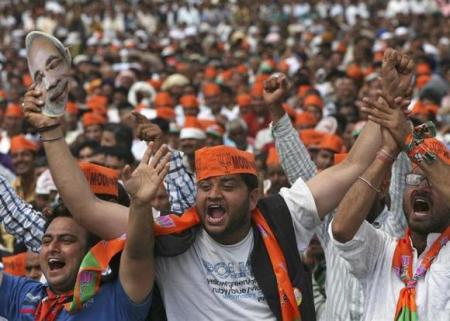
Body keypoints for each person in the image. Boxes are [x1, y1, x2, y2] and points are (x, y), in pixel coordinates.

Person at [23, 68, 383, 320]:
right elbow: (84, 207)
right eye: (205, 186)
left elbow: (351, 167)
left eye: (227, 186)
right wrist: (51, 131)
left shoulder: (282, 216)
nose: (213, 195)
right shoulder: (173, 235)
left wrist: (388, 105)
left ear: (253, 197)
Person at [0, 145, 170, 320]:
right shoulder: (26, 295)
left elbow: (138, 249)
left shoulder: (117, 297)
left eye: (66, 240)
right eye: (46, 241)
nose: (53, 247)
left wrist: (140, 204)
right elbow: (17, 214)